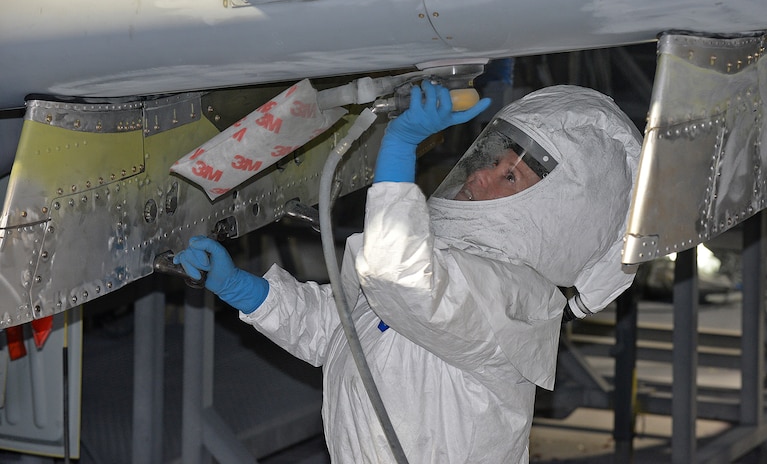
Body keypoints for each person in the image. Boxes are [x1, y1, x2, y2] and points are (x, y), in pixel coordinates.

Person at [174, 81, 642, 463]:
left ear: (557, 215)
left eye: (510, 176)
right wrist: (243, 289)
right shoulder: (451, 266)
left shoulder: (512, 298)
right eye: (493, 160)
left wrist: (399, 146)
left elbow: (399, 279)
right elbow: (346, 336)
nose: (479, 176)